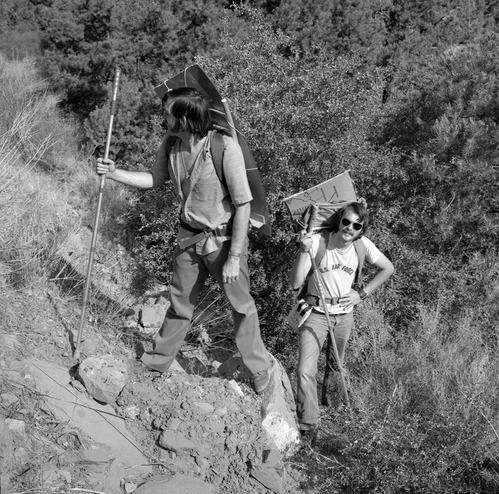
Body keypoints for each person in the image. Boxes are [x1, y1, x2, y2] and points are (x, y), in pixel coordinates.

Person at [96, 87, 272, 394]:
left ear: (186, 118)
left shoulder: (224, 148)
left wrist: (234, 258)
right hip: (189, 238)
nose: (163, 118)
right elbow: (154, 179)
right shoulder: (171, 144)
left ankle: (258, 368)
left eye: (167, 114)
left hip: (223, 242)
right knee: (180, 305)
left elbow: (243, 205)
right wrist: (114, 173)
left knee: (241, 306)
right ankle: (156, 362)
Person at [290, 201, 394, 444]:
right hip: (316, 313)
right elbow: (295, 283)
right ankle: (309, 425)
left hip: (344, 315)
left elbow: (388, 268)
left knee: (335, 366)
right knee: (305, 370)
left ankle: (333, 411)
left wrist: (362, 293)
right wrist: (303, 251)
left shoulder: (362, 246)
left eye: (357, 225)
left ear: (361, 230)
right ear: (339, 221)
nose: (350, 228)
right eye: (346, 221)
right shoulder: (318, 241)